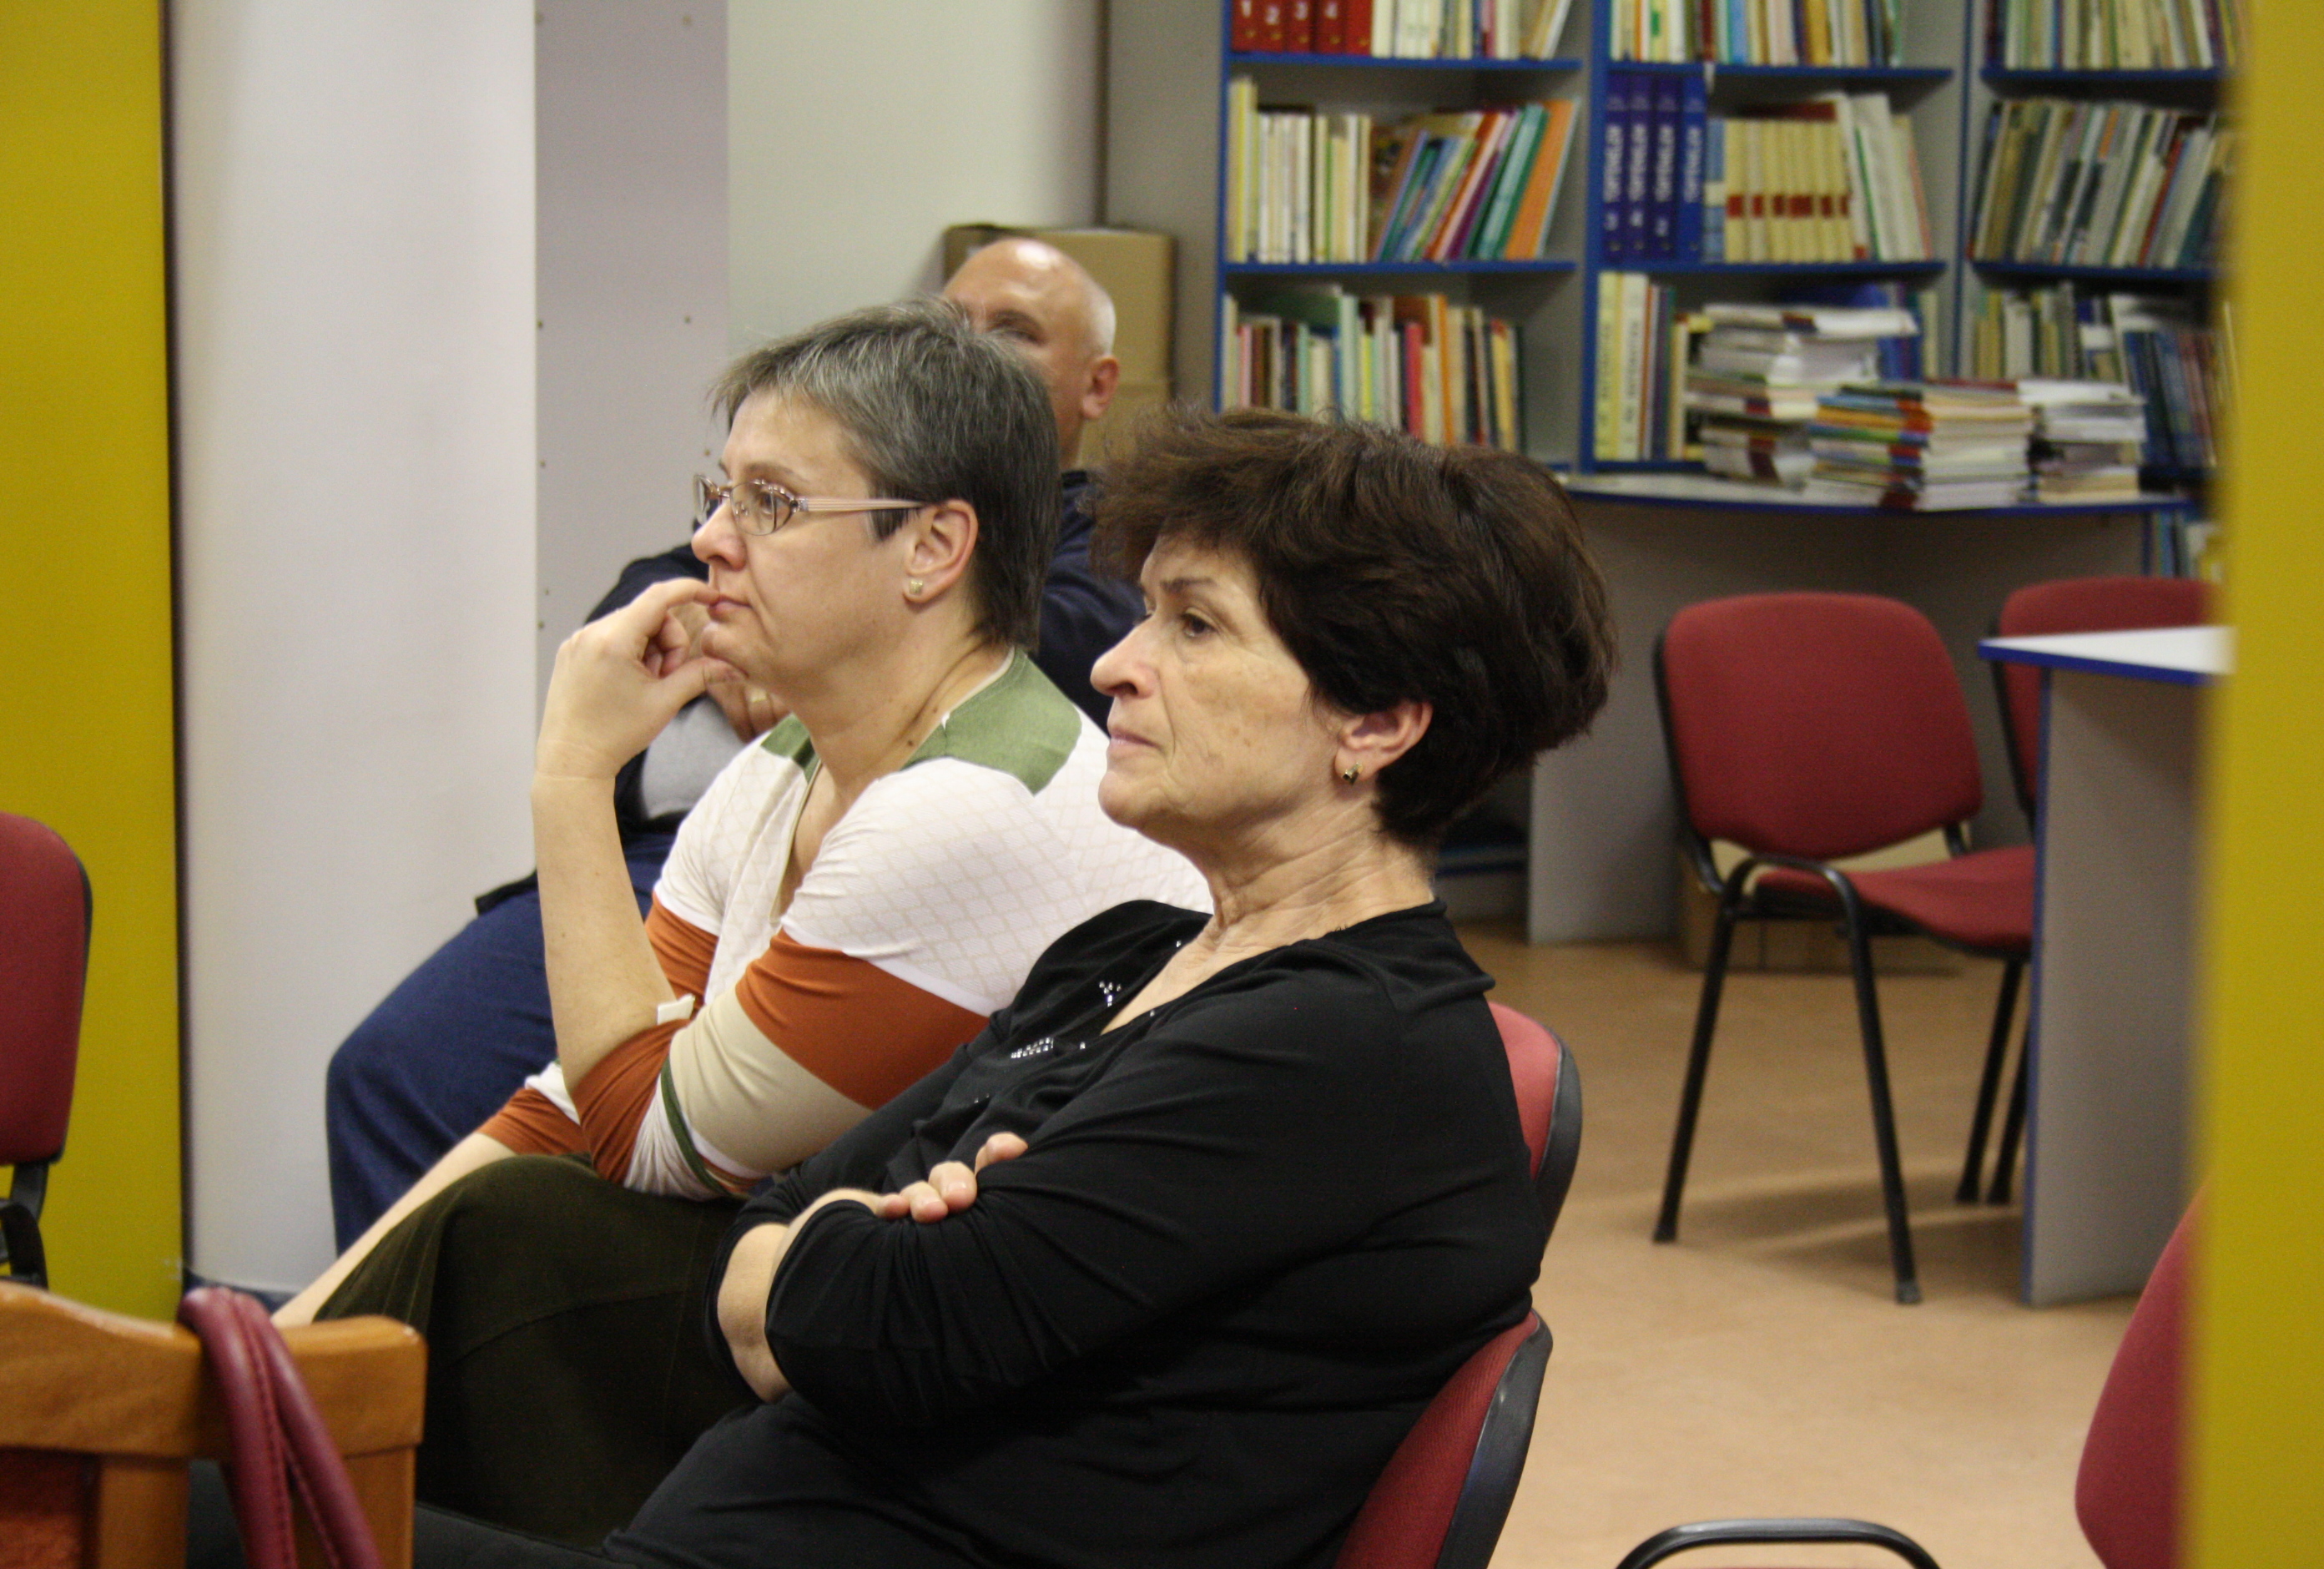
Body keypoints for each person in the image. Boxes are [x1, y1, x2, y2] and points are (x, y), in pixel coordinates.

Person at [197, 406, 1616, 1568]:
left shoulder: (1342, 1048)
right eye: (1143, 616)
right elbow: (768, 1241)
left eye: (1194, 628)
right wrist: (851, 1244)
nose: (1114, 665)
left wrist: (854, 1255)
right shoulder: (1126, 952)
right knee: (245, 1443)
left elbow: (872, 1324)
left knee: (160, 1521)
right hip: (718, 1524)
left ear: (1376, 722)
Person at [322, 237, 1142, 1249]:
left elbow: (640, 1138)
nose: (712, 540)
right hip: (834, 1274)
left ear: (933, 548)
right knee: (463, 1161)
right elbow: (573, 1101)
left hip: (944, 1317)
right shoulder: (778, 764)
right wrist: (309, 1327)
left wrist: (573, 774)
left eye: (770, 504)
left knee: (522, 1230)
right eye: (722, 495)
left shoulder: (964, 803)